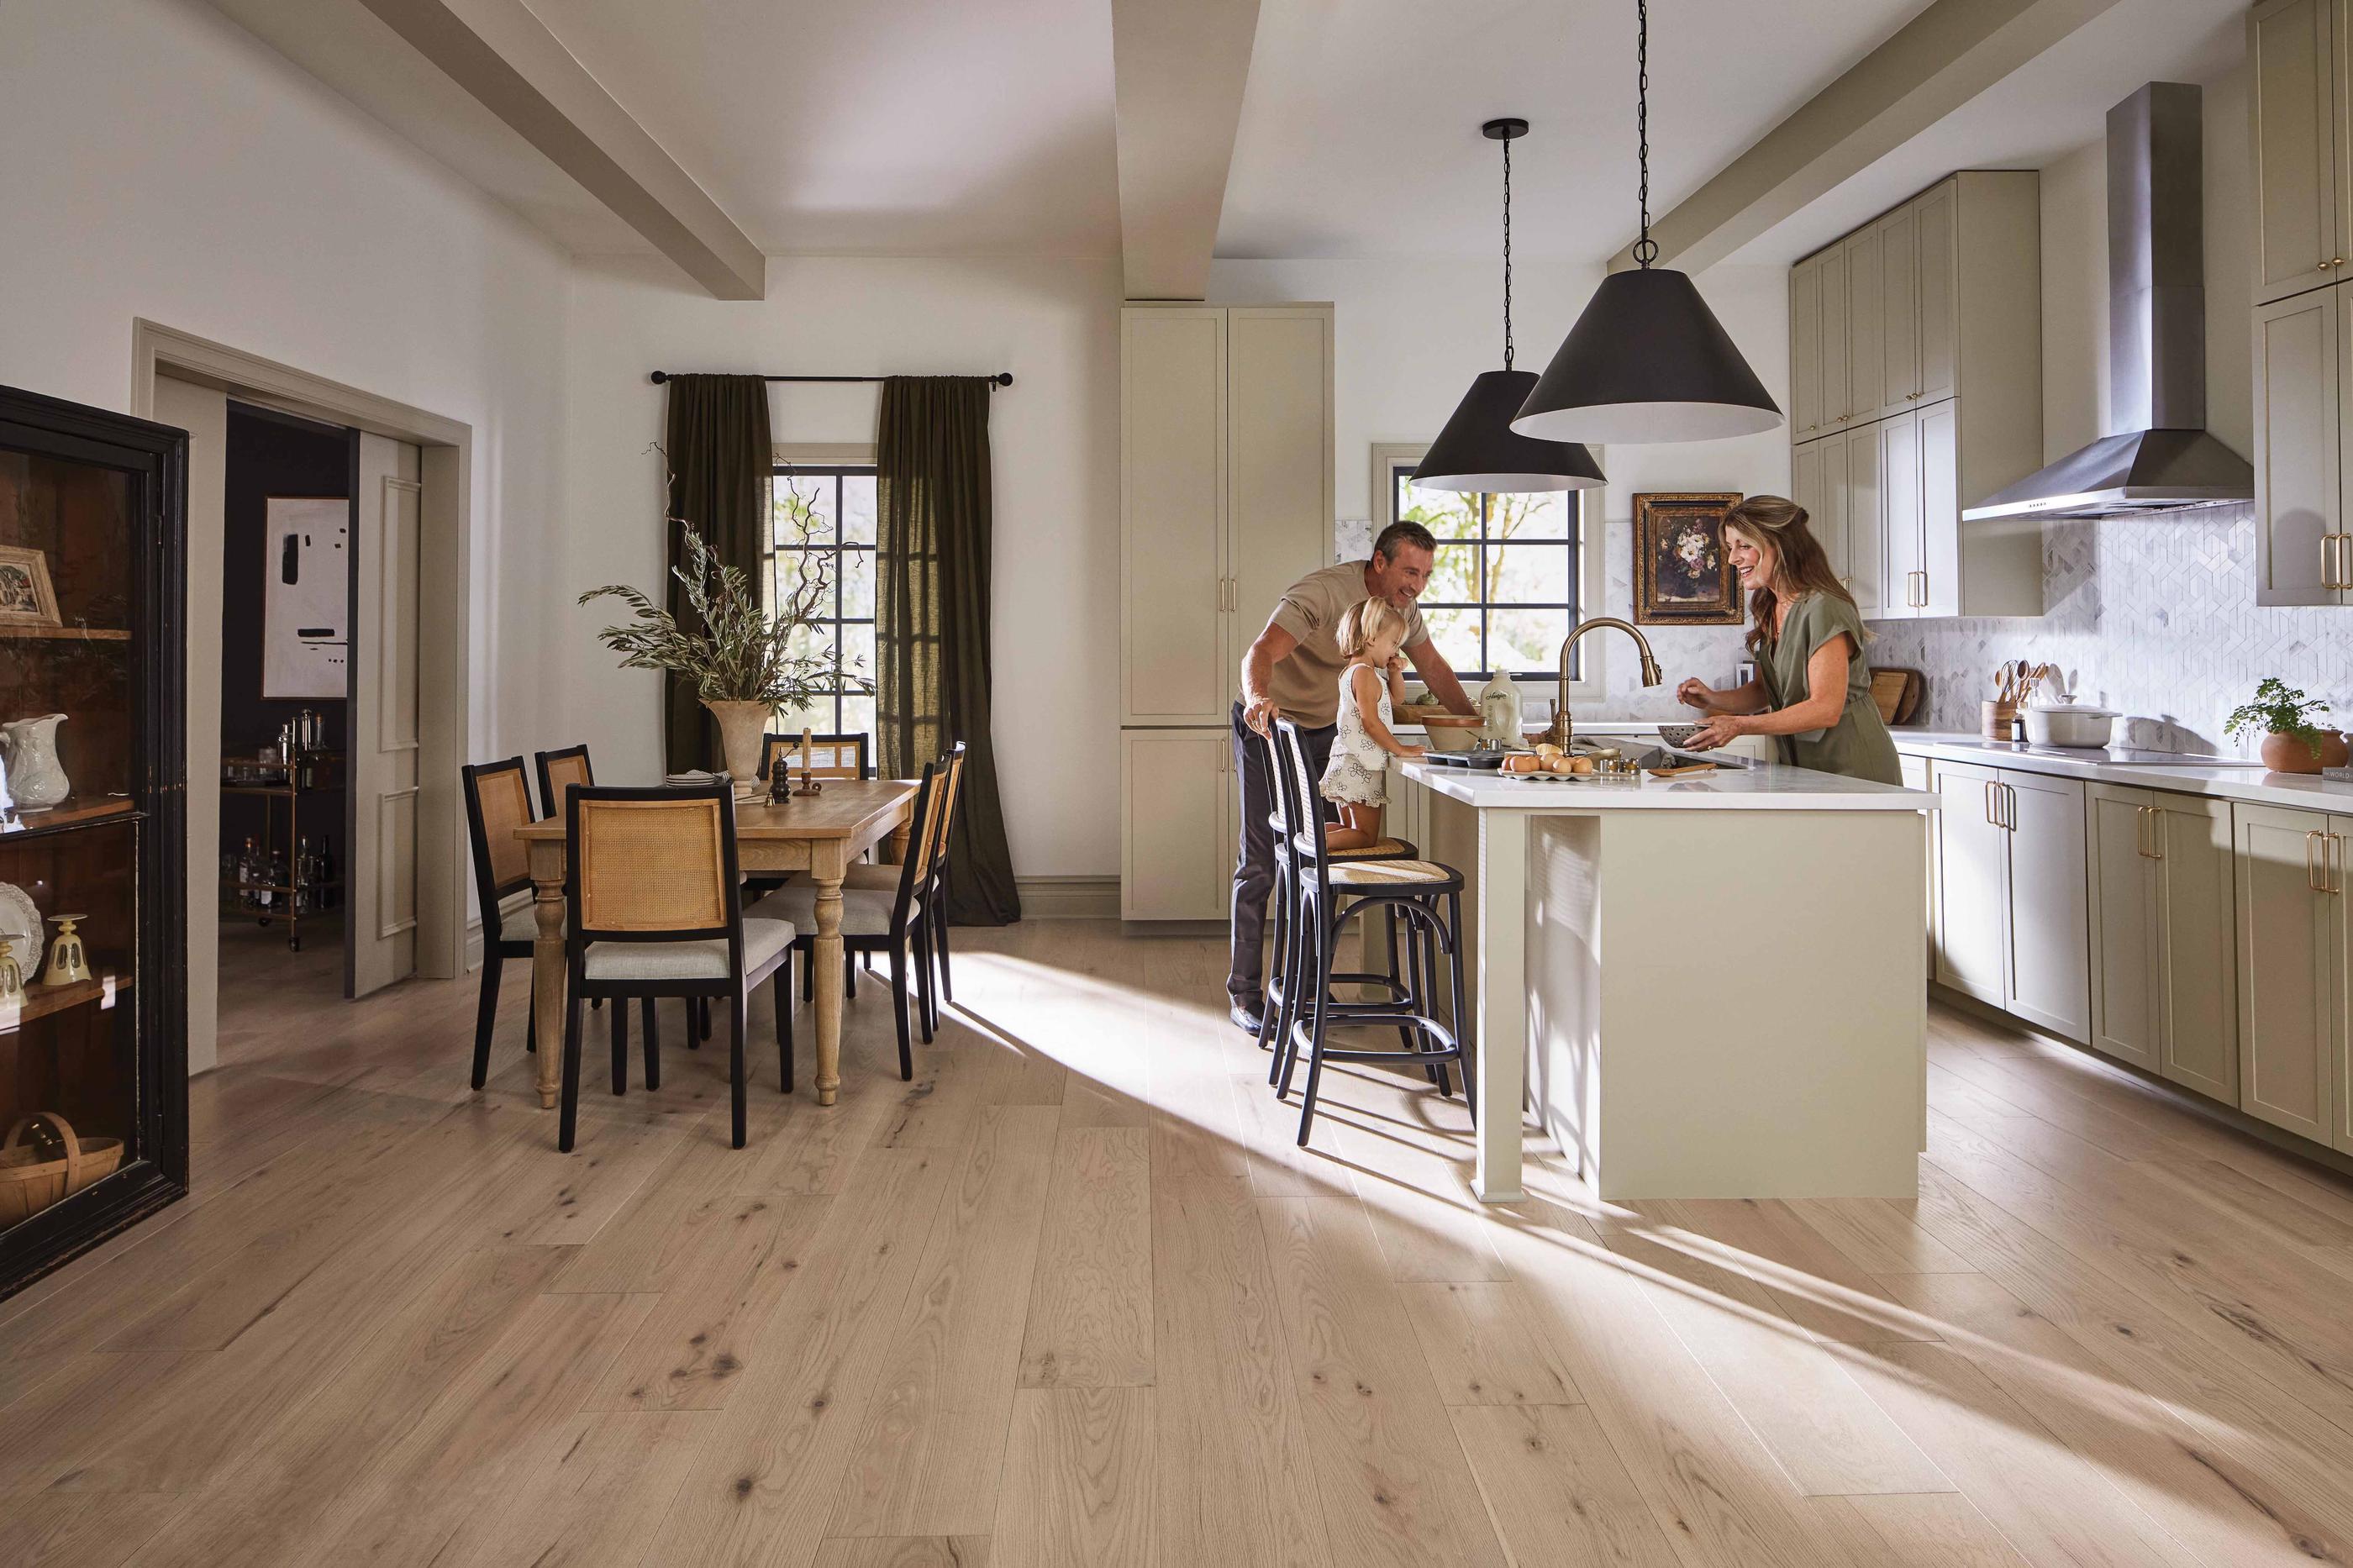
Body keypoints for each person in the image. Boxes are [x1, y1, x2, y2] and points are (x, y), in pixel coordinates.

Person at [1229, 521, 1476, 1034]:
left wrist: (1475, 724)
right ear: (1379, 563)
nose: (1417, 586)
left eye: (1426, 575)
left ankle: (1307, 989)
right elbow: (1260, 652)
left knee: (1320, 861)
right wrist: (1257, 701)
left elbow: (1433, 666)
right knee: (1261, 863)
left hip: (1329, 734)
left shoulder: (1403, 610)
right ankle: (1247, 994)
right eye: (1410, 571)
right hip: (1270, 725)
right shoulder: (1322, 592)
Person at [1675, 494, 1903, 786]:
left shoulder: (1824, 607)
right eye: (1731, 547)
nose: (1732, 558)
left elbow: (1825, 708)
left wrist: (1739, 725)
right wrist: (1714, 698)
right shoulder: (1771, 607)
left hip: (1853, 764)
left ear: (1780, 545)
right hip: (1806, 765)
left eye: (1744, 545)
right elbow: (1766, 691)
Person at [1319, 597, 1424, 850]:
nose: (1395, 651)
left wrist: (1396, 672)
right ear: (1372, 639)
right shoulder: (1365, 674)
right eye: (1394, 643)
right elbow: (1370, 722)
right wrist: (1401, 749)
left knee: (1350, 830)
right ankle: (1312, 847)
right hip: (1359, 766)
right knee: (1366, 837)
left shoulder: (1358, 672)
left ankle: (1309, 840)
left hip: (1350, 762)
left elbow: (1396, 699)